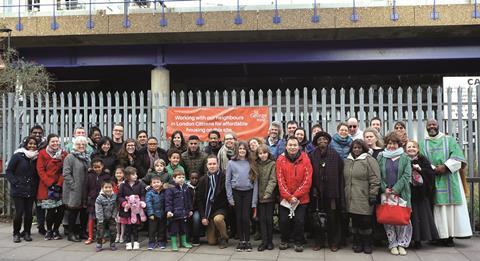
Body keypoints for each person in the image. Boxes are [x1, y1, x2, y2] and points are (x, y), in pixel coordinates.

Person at [419, 119, 472, 246]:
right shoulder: (422, 143)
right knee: (437, 209)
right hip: (432, 177)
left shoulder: (449, 140)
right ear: (426, 127)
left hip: (449, 177)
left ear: (438, 126)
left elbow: (458, 157)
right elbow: (420, 158)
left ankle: (450, 236)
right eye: (429, 125)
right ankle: (438, 236)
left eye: (434, 125)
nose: (432, 127)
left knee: (450, 209)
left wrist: (445, 167)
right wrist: (433, 169)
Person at [309, 131, 345, 252]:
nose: (322, 141)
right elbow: (310, 173)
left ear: (328, 141)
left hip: (332, 193)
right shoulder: (312, 155)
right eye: (319, 140)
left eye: (324, 139)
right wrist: (313, 188)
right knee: (317, 219)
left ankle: (333, 242)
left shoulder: (335, 155)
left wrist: (337, 191)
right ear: (316, 142)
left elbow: (340, 174)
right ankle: (319, 242)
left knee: (332, 219)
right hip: (317, 193)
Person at [377, 132, 412, 256]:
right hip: (386, 194)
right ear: (386, 144)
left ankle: (402, 244)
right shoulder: (381, 157)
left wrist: (395, 189)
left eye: (394, 143)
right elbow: (378, 175)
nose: (392, 146)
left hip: (401, 193)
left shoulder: (405, 157)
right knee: (389, 219)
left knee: (401, 219)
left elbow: (407, 175)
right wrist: (384, 188)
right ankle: (392, 244)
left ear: (399, 144)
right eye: (389, 143)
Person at [343, 139, 380, 254]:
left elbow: (375, 178)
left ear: (363, 148)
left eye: (359, 147)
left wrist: (373, 194)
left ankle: (367, 244)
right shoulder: (347, 161)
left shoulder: (369, 160)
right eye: (354, 148)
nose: (356, 150)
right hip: (350, 197)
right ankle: (357, 243)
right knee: (354, 222)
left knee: (365, 222)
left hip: (364, 196)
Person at [276, 137, 313, 252]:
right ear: (286, 146)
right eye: (290, 145)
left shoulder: (305, 159)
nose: (292, 147)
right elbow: (280, 180)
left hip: (301, 198)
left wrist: (296, 196)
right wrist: (289, 197)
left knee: (299, 221)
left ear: (299, 146)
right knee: (283, 221)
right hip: (285, 198)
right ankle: (285, 240)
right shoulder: (280, 160)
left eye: (295, 145)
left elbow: (307, 180)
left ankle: (298, 242)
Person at [226, 141, 258, 252]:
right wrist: (230, 198)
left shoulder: (251, 162)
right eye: (240, 149)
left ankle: (247, 240)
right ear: (237, 150)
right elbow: (228, 181)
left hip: (248, 192)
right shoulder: (231, 163)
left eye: (244, 149)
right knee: (238, 218)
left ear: (247, 150)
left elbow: (255, 183)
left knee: (245, 218)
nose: (242, 151)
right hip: (236, 192)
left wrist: (254, 202)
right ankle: (241, 241)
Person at [405, 140, 439, 249]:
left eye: (413, 147)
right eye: (409, 147)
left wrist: (420, 170)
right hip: (408, 193)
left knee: (420, 217)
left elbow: (430, 173)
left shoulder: (423, 160)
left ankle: (418, 240)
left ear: (418, 149)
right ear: (405, 149)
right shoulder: (403, 159)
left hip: (420, 194)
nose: (411, 149)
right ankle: (407, 239)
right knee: (409, 218)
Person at [6, 136, 39, 243]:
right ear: (25, 144)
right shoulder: (18, 156)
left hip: (31, 189)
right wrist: (15, 182)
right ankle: (16, 233)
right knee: (19, 213)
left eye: (34, 144)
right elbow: (9, 171)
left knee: (29, 213)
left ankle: (27, 232)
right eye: (30, 144)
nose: (32, 146)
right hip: (19, 189)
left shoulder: (36, 158)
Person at [36, 134, 67, 241]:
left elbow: (65, 170)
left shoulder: (63, 154)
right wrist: (50, 183)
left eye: (57, 141)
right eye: (53, 141)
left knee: (61, 209)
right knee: (50, 210)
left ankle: (56, 229)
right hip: (47, 186)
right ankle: (49, 230)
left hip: (60, 186)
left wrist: (59, 184)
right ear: (48, 142)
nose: (55, 143)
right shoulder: (42, 153)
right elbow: (40, 170)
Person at [196, 155, 229, 249]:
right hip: (208, 211)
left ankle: (224, 238)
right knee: (211, 242)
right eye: (210, 164)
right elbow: (200, 199)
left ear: (218, 165)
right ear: (206, 165)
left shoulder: (223, 177)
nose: (212, 166)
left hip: (221, 208)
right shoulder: (203, 180)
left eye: (214, 164)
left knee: (218, 219)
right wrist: (203, 216)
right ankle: (218, 232)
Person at [63, 136, 90, 242]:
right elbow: (66, 173)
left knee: (84, 211)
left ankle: (83, 232)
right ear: (75, 145)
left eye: (83, 144)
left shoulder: (87, 157)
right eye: (79, 144)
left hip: (84, 188)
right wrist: (73, 185)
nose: (81, 146)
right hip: (74, 189)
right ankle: (71, 233)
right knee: (73, 211)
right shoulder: (70, 157)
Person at [254, 144, 277, 251]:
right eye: (260, 153)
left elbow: (273, 180)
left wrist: (268, 192)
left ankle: (270, 241)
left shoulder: (272, 164)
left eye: (264, 153)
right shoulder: (255, 164)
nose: (263, 155)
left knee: (269, 219)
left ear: (268, 153)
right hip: (259, 197)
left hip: (269, 197)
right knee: (261, 220)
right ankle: (264, 242)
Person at [84, 158, 112, 244]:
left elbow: (109, 188)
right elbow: (85, 188)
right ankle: (90, 236)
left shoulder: (106, 176)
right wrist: (85, 200)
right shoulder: (89, 175)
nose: (97, 169)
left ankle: (101, 237)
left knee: (101, 220)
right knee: (91, 219)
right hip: (92, 200)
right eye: (95, 167)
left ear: (102, 166)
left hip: (102, 200)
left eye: (98, 167)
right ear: (92, 167)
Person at [118, 166, 146, 250]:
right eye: (133, 174)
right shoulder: (123, 185)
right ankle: (128, 242)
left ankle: (136, 241)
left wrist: (142, 202)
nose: (136, 176)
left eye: (136, 174)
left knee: (135, 227)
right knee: (128, 227)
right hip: (127, 210)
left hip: (136, 209)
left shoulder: (140, 184)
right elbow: (119, 196)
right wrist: (124, 203)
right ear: (127, 176)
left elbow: (142, 194)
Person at [166, 169, 193, 251]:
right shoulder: (170, 189)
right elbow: (168, 202)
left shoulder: (186, 187)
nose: (181, 179)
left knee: (183, 229)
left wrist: (190, 209)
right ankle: (174, 244)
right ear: (174, 178)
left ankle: (183, 242)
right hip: (174, 214)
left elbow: (188, 200)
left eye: (183, 177)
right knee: (174, 229)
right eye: (179, 177)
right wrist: (169, 211)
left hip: (184, 213)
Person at [95, 180, 118, 252]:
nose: (108, 189)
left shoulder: (114, 196)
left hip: (111, 217)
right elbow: (98, 209)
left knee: (113, 231)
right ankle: (99, 244)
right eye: (106, 187)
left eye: (110, 187)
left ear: (112, 188)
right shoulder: (99, 198)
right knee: (100, 232)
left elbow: (115, 206)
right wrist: (101, 219)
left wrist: (114, 215)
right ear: (102, 188)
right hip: (102, 218)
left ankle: (112, 244)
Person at [146, 176, 168, 250]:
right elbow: (148, 204)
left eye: (158, 182)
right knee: (152, 230)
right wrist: (151, 214)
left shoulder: (164, 192)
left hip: (162, 214)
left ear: (161, 183)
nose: (156, 184)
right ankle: (151, 242)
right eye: (154, 183)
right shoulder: (149, 193)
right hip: (153, 215)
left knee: (161, 229)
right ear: (151, 184)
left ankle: (161, 241)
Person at [187, 171, 201, 246]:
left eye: (196, 178)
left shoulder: (200, 187)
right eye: (192, 178)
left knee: (196, 219)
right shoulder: (186, 187)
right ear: (189, 178)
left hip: (197, 209)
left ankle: (196, 238)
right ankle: (188, 237)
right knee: (187, 220)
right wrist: (189, 210)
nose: (194, 180)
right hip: (188, 209)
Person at [113, 167, 125, 243]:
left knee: (123, 221)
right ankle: (117, 234)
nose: (118, 174)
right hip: (115, 204)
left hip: (122, 204)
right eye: (117, 173)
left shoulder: (125, 183)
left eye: (120, 173)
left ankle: (122, 235)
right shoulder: (113, 183)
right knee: (117, 221)